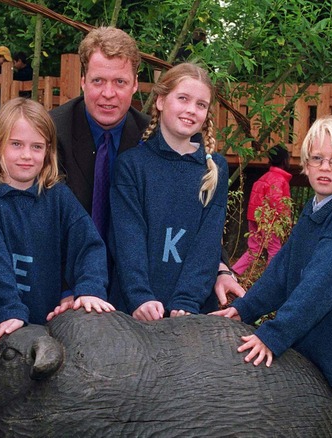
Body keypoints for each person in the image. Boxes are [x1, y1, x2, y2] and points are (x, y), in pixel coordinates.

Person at [212, 115, 332, 437]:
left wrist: (273, 334)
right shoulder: (316, 210)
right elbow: (283, 271)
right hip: (319, 358)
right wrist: (245, 308)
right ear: (304, 166)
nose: (324, 167)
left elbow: (318, 288)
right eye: (317, 159)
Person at [49, 26, 244, 306]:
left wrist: (221, 268)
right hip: (67, 282)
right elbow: (40, 220)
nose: (108, 93)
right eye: (98, 81)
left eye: (119, 82)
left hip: (133, 287)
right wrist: (67, 289)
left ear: (135, 85)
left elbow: (191, 210)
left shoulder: (153, 137)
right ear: (82, 81)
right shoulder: (52, 133)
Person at [0, 98, 114, 349]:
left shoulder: (58, 195)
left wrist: (89, 289)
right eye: (16, 144)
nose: (26, 155)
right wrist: (10, 310)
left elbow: (89, 244)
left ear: (48, 152)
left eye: (36, 147)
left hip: (45, 329)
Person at [111, 63, 228, 320]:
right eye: (183, 98)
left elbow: (208, 242)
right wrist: (139, 296)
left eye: (201, 104)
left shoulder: (215, 168)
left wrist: (188, 299)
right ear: (161, 100)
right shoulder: (131, 165)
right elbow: (128, 236)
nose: (191, 110)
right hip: (134, 310)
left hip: (190, 310)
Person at [232, 144, 292, 275]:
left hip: (254, 217)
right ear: (285, 160)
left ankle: (235, 272)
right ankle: (270, 280)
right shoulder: (279, 179)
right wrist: (285, 219)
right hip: (269, 220)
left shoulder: (264, 177)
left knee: (254, 248)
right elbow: (276, 201)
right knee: (274, 249)